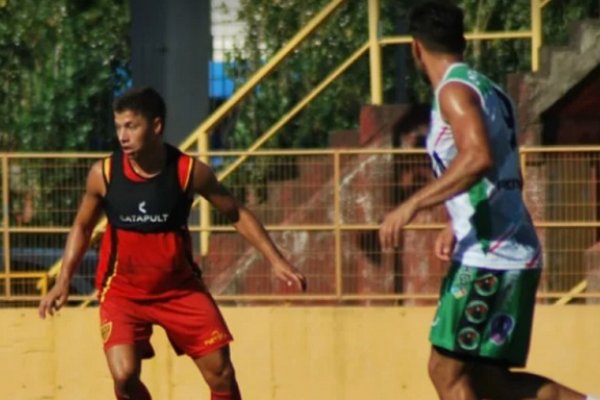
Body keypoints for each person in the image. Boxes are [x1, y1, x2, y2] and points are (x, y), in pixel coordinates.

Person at [379, 2, 599, 400]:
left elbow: (478, 157)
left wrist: (412, 205)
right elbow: (501, 169)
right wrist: (457, 221)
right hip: (506, 247)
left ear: (415, 48)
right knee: (489, 382)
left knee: (445, 373)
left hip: (489, 256)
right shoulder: (487, 88)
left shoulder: (453, 92)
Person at [38, 86, 307, 400]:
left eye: (131, 126)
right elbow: (83, 226)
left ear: (156, 126)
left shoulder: (189, 172)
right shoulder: (104, 174)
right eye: (118, 126)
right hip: (123, 292)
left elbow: (236, 213)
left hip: (180, 289)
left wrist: (276, 260)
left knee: (221, 372)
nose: (122, 136)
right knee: (124, 377)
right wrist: (63, 280)